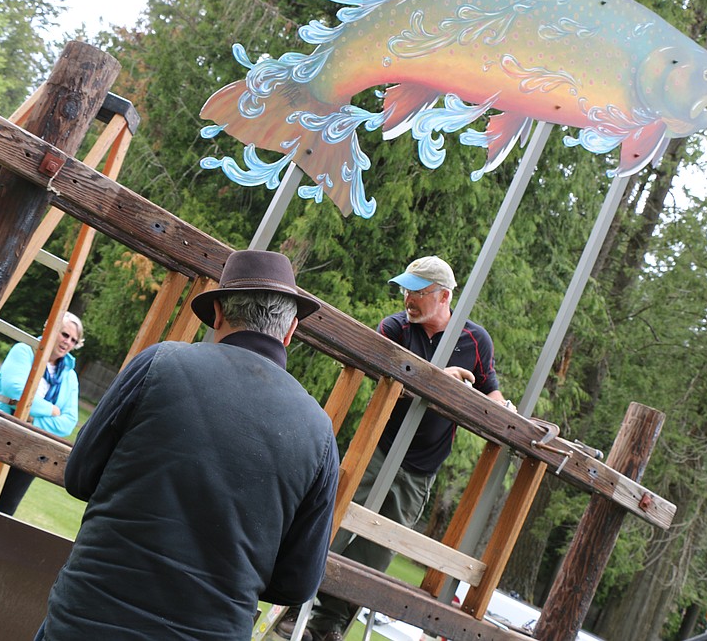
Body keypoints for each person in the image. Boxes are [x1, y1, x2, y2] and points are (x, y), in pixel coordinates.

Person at [37, 250, 339, 640]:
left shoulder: (158, 363)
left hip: (89, 618)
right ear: (290, 330)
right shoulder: (318, 432)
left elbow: (80, 476)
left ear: (217, 314)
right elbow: (297, 583)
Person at [281, 255, 503, 641]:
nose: (407, 298)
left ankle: (326, 626)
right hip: (378, 448)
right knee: (329, 524)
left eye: (416, 292)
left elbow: (490, 388)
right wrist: (439, 379)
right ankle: (293, 605)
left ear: (444, 296)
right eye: (405, 289)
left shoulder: (475, 340)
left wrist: (503, 406)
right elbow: (384, 375)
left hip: (421, 466)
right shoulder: (395, 327)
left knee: (375, 554)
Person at [0, 311, 84, 515]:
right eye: (64, 334)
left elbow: (68, 422)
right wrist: (50, 410)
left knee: (2, 513)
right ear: (50, 328)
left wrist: (30, 417)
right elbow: (15, 390)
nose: (68, 342)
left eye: (73, 340)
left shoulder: (69, 376)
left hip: (32, 450)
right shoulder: (25, 350)